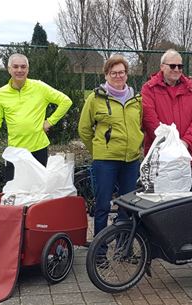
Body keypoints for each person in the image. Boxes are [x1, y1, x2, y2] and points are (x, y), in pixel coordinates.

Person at [78, 55, 143, 236]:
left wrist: (137, 145)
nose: (118, 76)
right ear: (106, 75)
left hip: (131, 160)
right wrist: (98, 150)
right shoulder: (95, 98)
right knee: (103, 205)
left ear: (127, 75)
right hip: (105, 161)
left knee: (127, 206)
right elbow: (84, 129)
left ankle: (124, 247)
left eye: (121, 72)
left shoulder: (137, 100)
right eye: (113, 73)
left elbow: (140, 125)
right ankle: (100, 252)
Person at [0, 53, 73, 180]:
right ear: (9, 69)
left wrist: (50, 122)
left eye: (23, 67)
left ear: (28, 69)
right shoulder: (0, 94)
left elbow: (66, 101)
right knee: (14, 194)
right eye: (16, 67)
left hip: (39, 150)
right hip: (15, 152)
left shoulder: (39, 87)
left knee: (38, 194)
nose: (19, 70)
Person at [141, 49, 192, 164]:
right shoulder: (149, 89)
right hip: (158, 156)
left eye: (180, 66)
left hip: (184, 154)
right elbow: (149, 119)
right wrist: (167, 145)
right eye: (172, 66)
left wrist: (185, 142)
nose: (176, 69)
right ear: (162, 67)